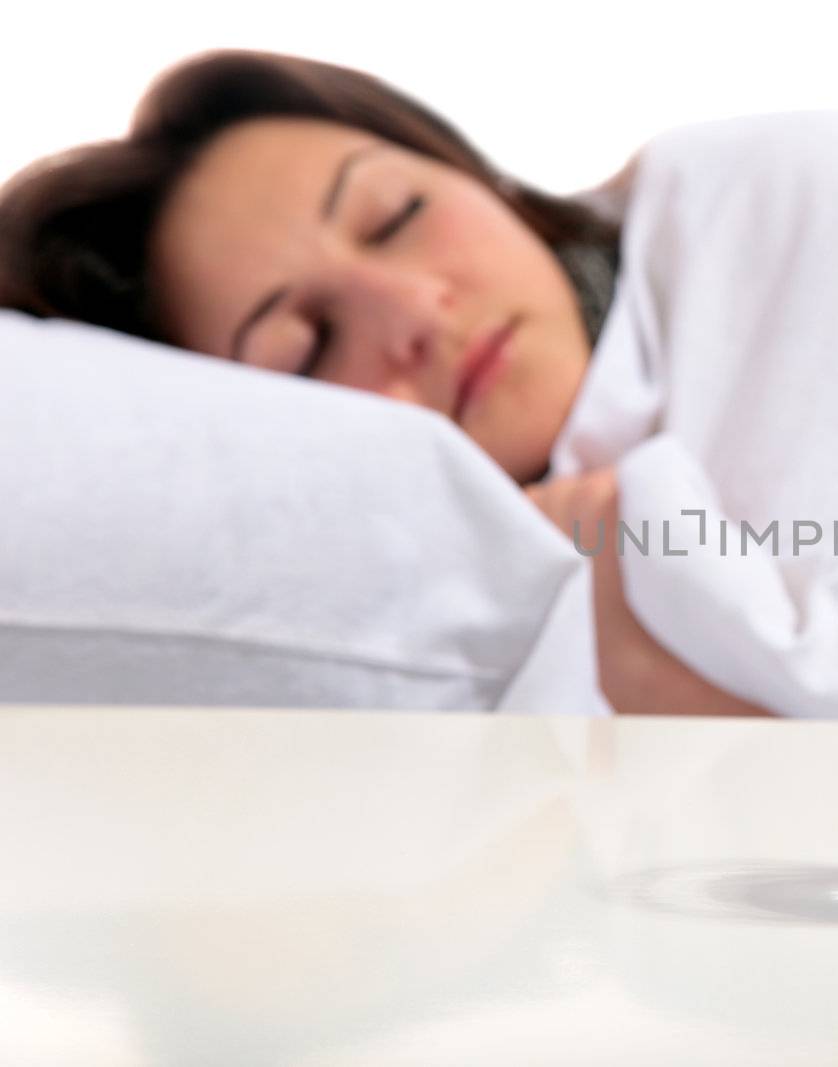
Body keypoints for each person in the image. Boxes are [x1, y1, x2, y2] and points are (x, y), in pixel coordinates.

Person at [0, 48, 770, 718]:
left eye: (394, 215)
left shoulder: (755, 201)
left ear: (471, 173)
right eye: (307, 346)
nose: (414, 313)